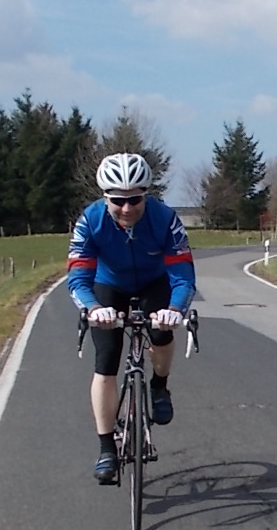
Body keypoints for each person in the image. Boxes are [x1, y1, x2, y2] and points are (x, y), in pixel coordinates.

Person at [68, 152, 197, 484]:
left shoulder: (165, 219)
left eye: (135, 199)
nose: (127, 208)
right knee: (106, 360)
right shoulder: (90, 221)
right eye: (118, 200)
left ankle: (159, 386)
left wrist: (175, 310)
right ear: (105, 198)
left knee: (162, 332)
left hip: (155, 282)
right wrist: (93, 308)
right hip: (109, 285)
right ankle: (106, 449)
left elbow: (183, 277)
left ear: (146, 195)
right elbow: (78, 278)